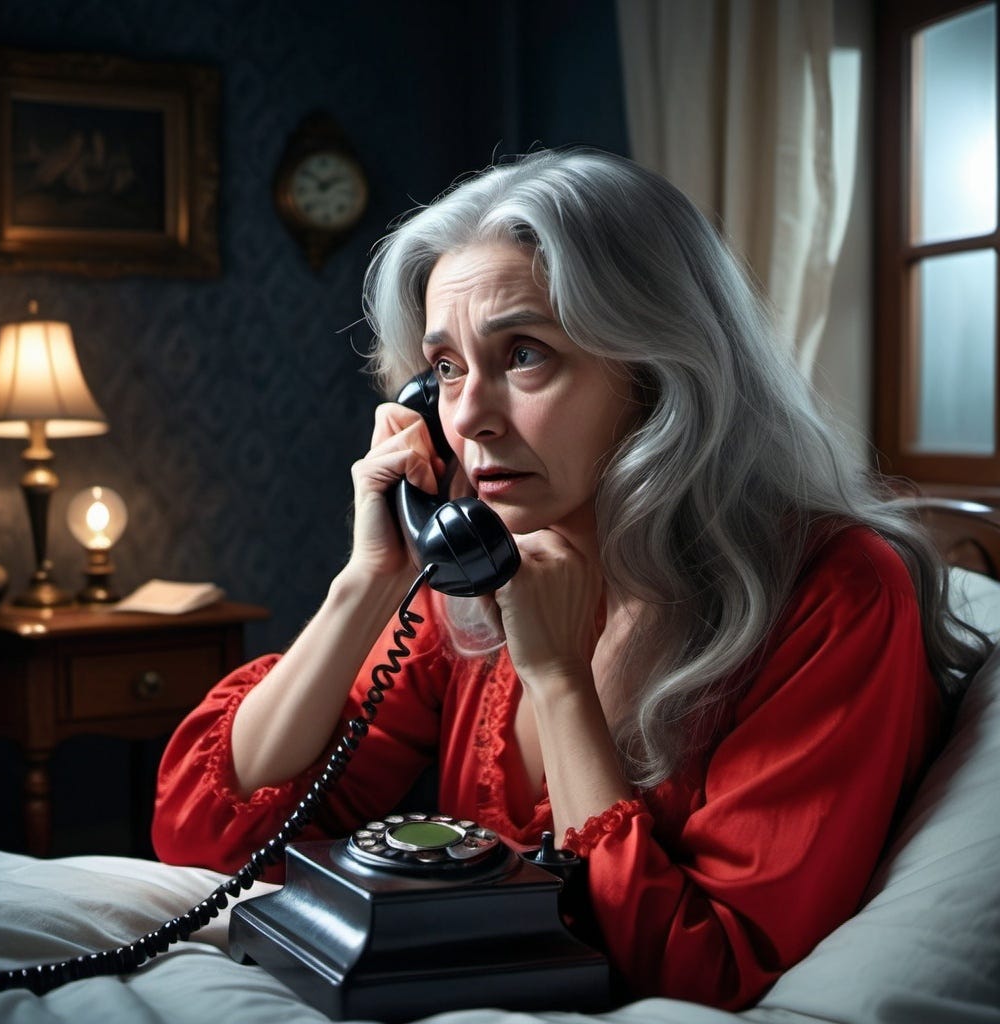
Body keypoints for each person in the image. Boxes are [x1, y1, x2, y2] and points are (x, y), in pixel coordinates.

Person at [152, 148, 988, 1010]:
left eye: (524, 354)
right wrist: (367, 581)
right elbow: (206, 833)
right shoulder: (481, 568)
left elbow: (703, 973)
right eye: (446, 368)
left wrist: (556, 679)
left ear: (655, 372)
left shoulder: (835, 593)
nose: (469, 416)